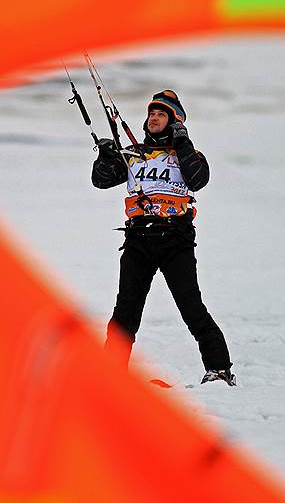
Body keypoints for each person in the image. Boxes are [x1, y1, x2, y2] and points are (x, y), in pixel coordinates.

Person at [91, 90, 235, 386]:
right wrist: (104, 158)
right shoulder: (134, 154)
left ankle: (220, 370)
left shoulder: (190, 156)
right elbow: (101, 181)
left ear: (174, 121)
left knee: (192, 308)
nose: (153, 118)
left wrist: (182, 140)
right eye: (151, 114)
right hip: (138, 241)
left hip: (176, 240)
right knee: (125, 312)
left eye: (161, 114)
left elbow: (198, 179)